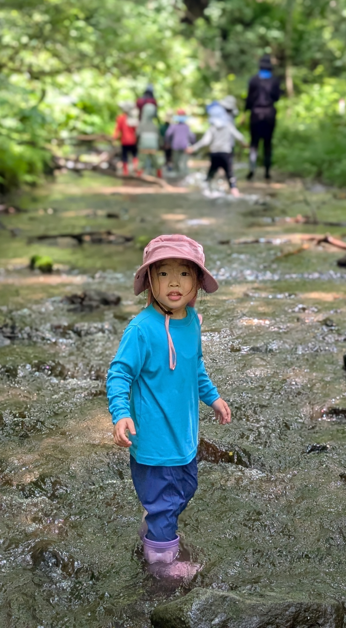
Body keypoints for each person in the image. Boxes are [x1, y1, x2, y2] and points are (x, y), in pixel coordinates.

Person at [107, 235, 231, 576]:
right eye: (163, 273)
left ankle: (154, 528)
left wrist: (213, 397)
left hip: (183, 435)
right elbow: (119, 374)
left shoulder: (190, 322)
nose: (174, 282)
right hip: (154, 440)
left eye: (184, 273)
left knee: (185, 488)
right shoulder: (141, 329)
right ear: (150, 280)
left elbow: (195, 367)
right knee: (165, 501)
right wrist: (121, 414)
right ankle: (161, 567)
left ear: (197, 282)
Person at [188, 101, 247, 196]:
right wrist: (244, 143)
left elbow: (205, 141)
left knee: (211, 173)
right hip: (226, 153)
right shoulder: (228, 125)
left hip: (214, 154)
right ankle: (235, 192)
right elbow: (239, 136)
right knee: (230, 174)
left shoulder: (212, 128)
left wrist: (193, 148)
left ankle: (206, 191)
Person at [245, 54, 282, 180]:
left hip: (255, 114)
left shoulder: (253, 80)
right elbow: (277, 97)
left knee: (254, 143)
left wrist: (245, 112)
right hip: (270, 114)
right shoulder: (275, 80)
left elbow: (249, 99)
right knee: (268, 143)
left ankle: (252, 169)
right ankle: (267, 172)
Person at [136, 99, 162, 177]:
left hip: (143, 145)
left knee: (141, 161)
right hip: (153, 145)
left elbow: (137, 134)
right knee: (155, 161)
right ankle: (159, 174)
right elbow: (158, 136)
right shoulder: (154, 125)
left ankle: (139, 174)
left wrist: (137, 143)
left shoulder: (141, 124)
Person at [165, 110, 195, 177]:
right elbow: (192, 136)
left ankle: (176, 171)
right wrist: (192, 144)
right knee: (184, 161)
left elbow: (168, 134)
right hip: (185, 146)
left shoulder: (173, 126)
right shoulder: (187, 126)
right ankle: (185, 173)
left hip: (176, 145)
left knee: (176, 160)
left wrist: (168, 142)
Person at [113, 101, 139, 176]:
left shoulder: (120, 118)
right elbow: (136, 130)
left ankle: (125, 172)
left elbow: (117, 129)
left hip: (125, 141)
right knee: (135, 155)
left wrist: (114, 138)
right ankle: (136, 169)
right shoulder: (133, 119)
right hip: (133, 141)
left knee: (125, 156)